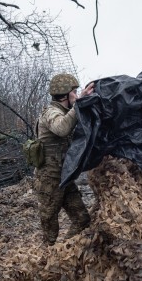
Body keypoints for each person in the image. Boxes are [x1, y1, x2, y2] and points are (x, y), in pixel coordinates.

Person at [34, 73, 94, 246]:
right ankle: (47, 261)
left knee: (82, 219)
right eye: (74, 92)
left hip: (64, 177)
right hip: (49, 180)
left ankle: (62, 253)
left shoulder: (65, 112)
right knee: (50, 232)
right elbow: (62, 129)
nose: (76, 95)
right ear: (65, 94)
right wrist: (79, 104)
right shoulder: (51, 112)